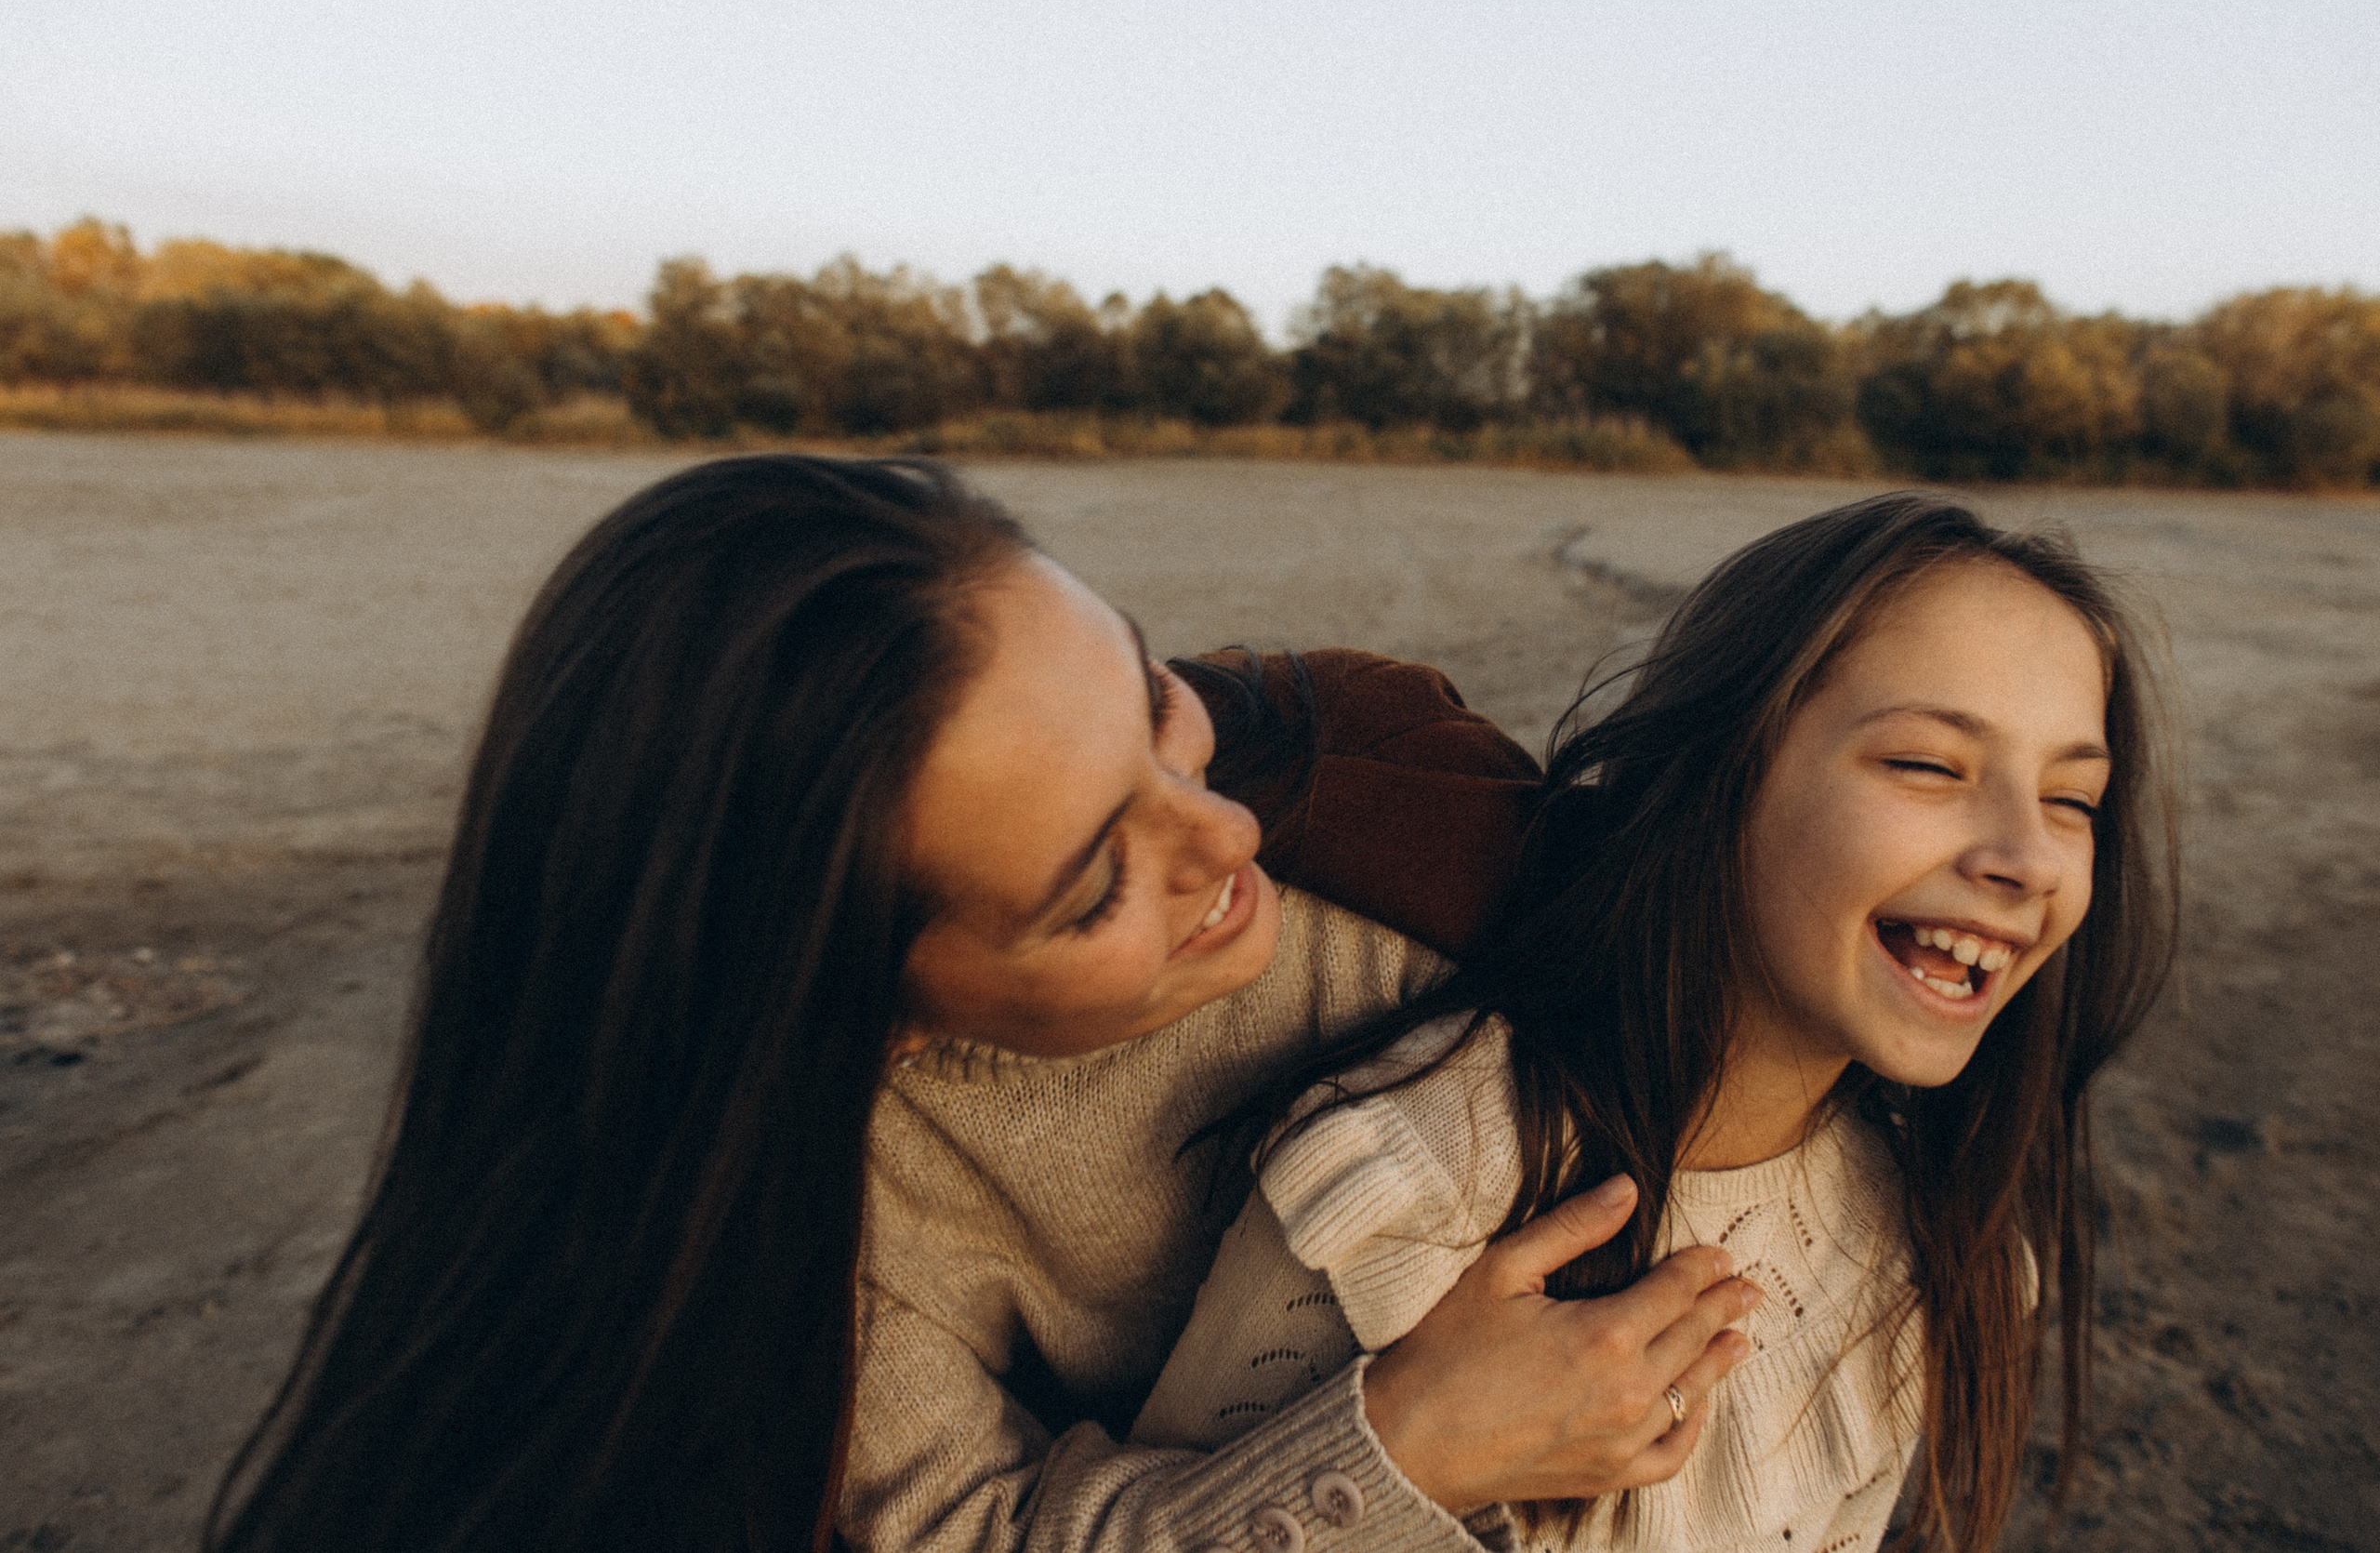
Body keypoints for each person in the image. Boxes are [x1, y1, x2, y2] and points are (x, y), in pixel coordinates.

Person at [203, 455, 1754, 1553]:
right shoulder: (798, 1237)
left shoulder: (1357, 762)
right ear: (877, 1020)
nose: (1222, 840)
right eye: (1093, 885)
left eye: (1154, 704)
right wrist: (1405, 1448)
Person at [1127, 494, 2179, 1552]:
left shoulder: (1940, 1254)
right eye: (1927, 765)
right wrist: (1402, 1456)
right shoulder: (1418, 1173)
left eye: (2071, 801)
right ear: (1720, 775)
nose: (2027, 858)